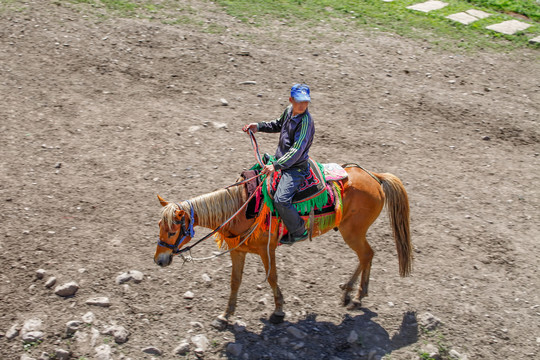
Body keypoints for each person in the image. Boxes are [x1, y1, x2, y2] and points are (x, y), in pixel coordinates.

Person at [242, 84, 315, 245]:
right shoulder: (289, 111)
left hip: (295, 168)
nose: (302, 105)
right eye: (299, 101)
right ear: (291, 100)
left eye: (305, 102)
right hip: (281, 160)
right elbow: (277, 124)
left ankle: (298, 231)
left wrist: (276, 166)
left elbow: (296, 150)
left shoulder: (306, 122)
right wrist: (259, 126)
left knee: (281, 199)